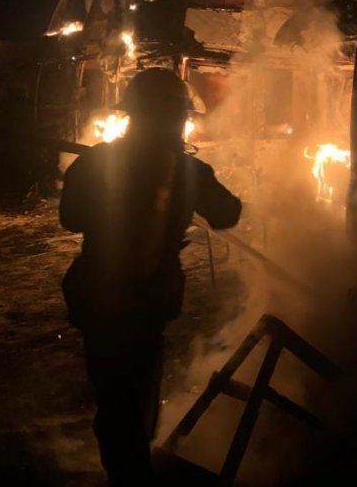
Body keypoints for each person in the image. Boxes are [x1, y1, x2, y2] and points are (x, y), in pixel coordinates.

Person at [59, 67, 241, 485]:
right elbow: (228, 213)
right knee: (133, 396)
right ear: (177, 118)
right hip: (145, 301)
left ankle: (127, 466)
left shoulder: (96, 162)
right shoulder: (190, 171)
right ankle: (132, 472)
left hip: (99, 298)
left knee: (116, 394)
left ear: (132, 114)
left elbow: (71, 218)